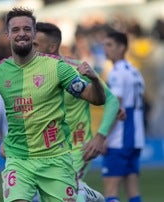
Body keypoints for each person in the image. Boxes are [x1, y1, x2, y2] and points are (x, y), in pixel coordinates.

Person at [0, 7, 106, 202]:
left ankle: (84, 194)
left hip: (55, 158)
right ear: (7, 34)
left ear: (34, 33)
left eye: (27, 29)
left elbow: (96, 98)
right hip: (19, 160)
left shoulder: (56, 67)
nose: (22, 34)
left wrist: (95, 80)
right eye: (16, 29)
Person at [32, 22, 119, 202]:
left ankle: (83, 192)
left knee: (68, 193)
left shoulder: (77, 69)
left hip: (77, 148)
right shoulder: (33, 74)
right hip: (48, 150)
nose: (30, 49)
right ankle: (92, 196)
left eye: (35, 45)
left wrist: (100, 137)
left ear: (52, 46)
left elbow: (111, 100)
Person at [101, 31, 145, 202]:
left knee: (111, 190)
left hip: (119, 138)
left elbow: (115, 106)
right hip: (136, 138)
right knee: (133, 191)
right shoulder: (134, 71)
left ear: (122, 47)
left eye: (110, 45)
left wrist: (104, 136)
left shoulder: (116, 73)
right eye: (104, 45)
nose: (105, 49)